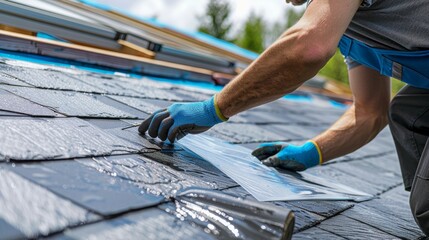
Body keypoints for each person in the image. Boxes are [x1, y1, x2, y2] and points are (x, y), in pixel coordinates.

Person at [139, 0, 429, 235]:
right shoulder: (348, 26)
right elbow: (370, 112)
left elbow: (307, 47)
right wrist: (310, 152)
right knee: (409, 112)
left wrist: (212, 109)